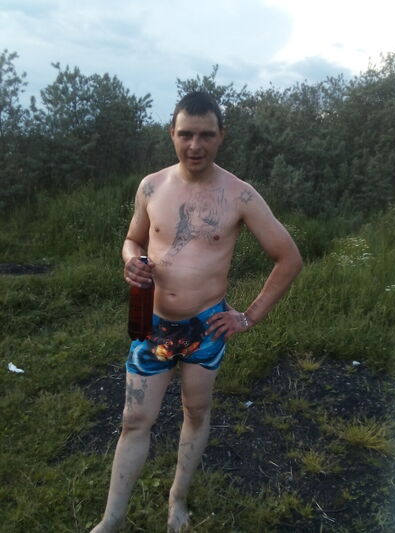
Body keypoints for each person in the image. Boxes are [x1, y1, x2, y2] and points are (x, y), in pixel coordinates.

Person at [91, 91, 303, 533]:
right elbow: (133, 239)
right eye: (186, 134)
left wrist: (249, 316)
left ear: (222, 135)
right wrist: (130, 259)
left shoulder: (240, 195)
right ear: (172, 133)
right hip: (152, 325)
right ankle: (112, 519)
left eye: (206, 135)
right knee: (134, 419)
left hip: (207, 329)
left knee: (196, 412)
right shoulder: (151, 186)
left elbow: (289, 258)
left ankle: (178, 501)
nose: (195, 145)